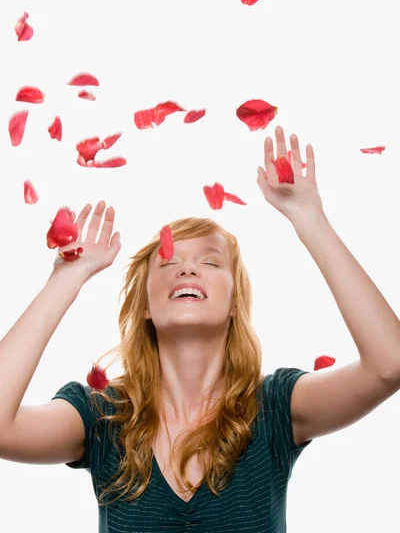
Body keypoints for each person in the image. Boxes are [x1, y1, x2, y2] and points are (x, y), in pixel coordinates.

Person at [0, 198, 312, 533]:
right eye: (167, 262)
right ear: (146, 305)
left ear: (234, 302)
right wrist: (67, 276)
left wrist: (311, 217)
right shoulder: (102, 416)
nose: (187, 269)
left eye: (209, 261)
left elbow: (379, 369)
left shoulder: (276, 405)